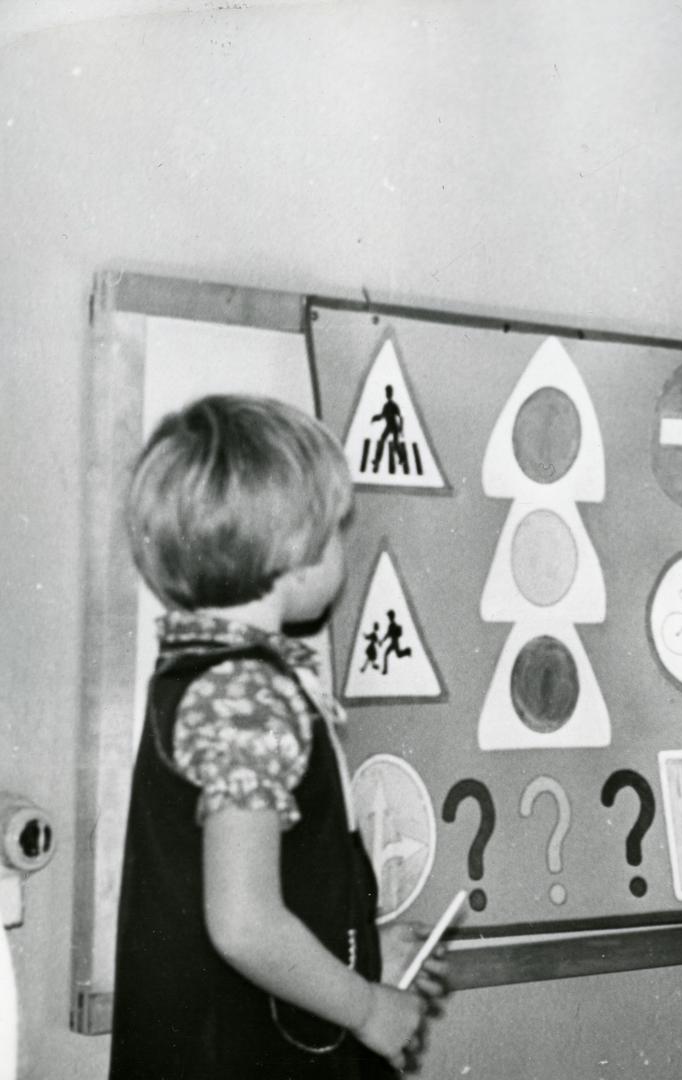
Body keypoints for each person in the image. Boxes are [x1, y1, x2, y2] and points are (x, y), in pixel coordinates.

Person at [111, 394, 449, 1079]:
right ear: (295, 551)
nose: (341, 549)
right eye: (335, 532)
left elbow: (272, 890)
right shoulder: (247, 698)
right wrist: (365, 1007)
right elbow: (245, 923)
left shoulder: (211, 677)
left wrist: (363, 950)